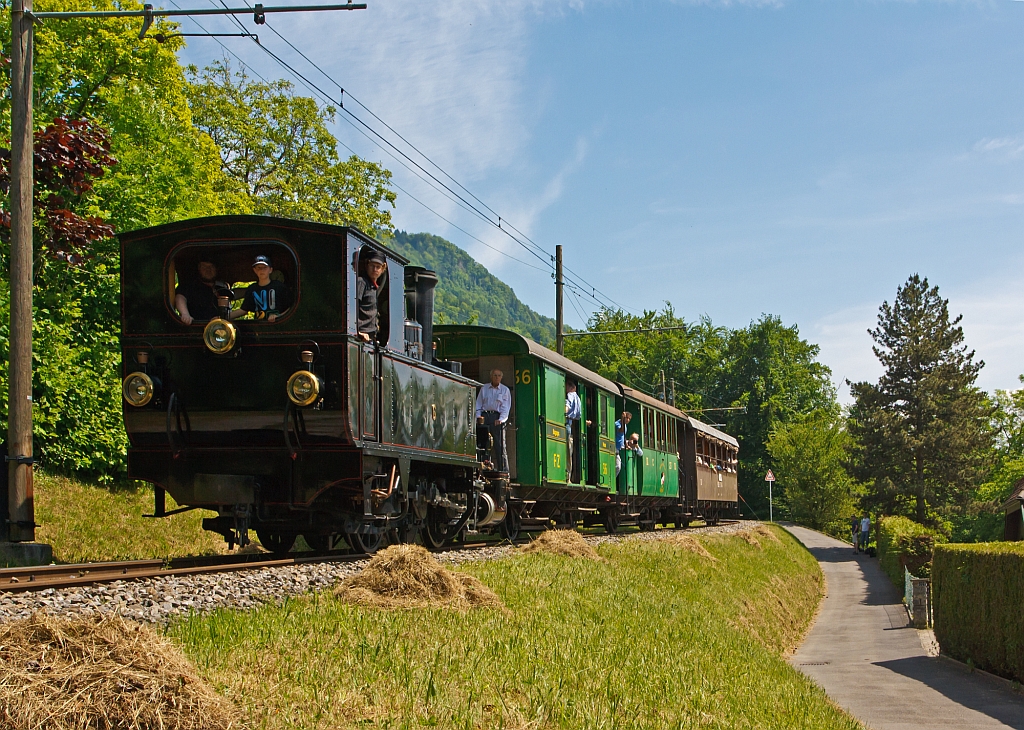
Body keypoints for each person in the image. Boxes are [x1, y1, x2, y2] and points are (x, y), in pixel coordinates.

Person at [230, 255, 292, 322]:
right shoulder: (252, 289)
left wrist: (279, 316)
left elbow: (290, 307)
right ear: (255, 270)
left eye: (265, 267)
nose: (262, 270)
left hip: (277, 325)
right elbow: (244, 310)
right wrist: (222, 317)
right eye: (259, 268)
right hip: (259, 326)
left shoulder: (279, 287)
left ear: (270, 270)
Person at [475, 369, 512, 472]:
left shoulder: (505, 390)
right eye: (495, 375)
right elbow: (478, 404)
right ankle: (484, 468)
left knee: (499, 445)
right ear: (491, 376)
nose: (497, 377)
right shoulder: (484, 388)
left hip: (496, 417)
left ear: (501, 377)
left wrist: (501, 419)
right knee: (483, 444)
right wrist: (478, 417)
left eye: (499, 375)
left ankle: (503, 470)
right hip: (485, 416)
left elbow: (506, 407)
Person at [174, 259, 229, 324]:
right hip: (198, 328)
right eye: (204, 267)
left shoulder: (221, 287)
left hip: (222, 328)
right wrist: (185, 314)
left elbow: (233, 294)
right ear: (198, 269)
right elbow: (180, 297)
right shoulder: (191, 286)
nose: (208, 269)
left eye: (211, 267)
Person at [355, 248, 388, 342]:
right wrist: (358, 332)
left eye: (378, 267)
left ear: (383, 268)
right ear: (367, 265)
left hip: (370, 338)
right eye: (372, 265)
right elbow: (353, 307)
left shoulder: (374, 288)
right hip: (361, 336)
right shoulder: (361, 282)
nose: (375, 269)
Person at [565, 381, 583, 482]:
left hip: (566, 423)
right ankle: (568, 476)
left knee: (565, 450)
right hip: (570, 424)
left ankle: (566, 477)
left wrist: (563, 412)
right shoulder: (578, 399)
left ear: (571, 387)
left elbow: (567, 406)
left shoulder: (570, 395)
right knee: (569, 452)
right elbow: (578, 416)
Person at [614, 411, 633, 476]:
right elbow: (621, 431)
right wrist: (622, 419)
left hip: (618, 449)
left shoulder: (625, 426)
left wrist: (626, 445)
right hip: (614, 448)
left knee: (618, 467)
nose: (627, 420)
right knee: (617, 466)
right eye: (626, 418)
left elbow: (623, 436)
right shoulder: (617, 424)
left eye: (629, 419)